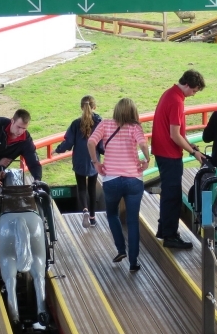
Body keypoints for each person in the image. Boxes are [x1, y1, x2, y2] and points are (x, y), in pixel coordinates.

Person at [87, 98, 150, 273]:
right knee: (132, 221)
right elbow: (143, 144)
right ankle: (133, 262)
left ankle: (121, 249)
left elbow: (91, 142)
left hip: (111, 179)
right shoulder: (135, 127)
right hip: (134, 180)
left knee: (112, 214)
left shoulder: (105, 124)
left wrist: (95, 163)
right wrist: (147, 159)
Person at [151, 69, 205, 249]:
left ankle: (164, 230)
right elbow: (175, 135)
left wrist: (191, 146)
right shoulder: (176, 101)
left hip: (162, 152)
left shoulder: (170, 94)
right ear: (187, 85)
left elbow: (178, 133)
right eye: (194, 90)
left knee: (168, 194)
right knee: (172, 196)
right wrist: (194, 152)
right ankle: (170, 235)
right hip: (169, 155)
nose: (193, 94)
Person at [57, 95, 102, 228]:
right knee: (92, 189)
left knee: (81, 188)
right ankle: (93, 218)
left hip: (79, 160)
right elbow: (102, 145)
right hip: (93, 159)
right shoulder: (99, 123)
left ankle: (85, 211)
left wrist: (58, 150)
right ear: (94, 107)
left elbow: (69, 142)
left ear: (81, 107)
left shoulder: (76, 123)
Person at [0, 109, 43, 181]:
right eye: (18, 127)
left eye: (24, 128)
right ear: (12, 121)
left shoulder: (25, 140)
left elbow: (33, 161)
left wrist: (37, 179)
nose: (20, 131)